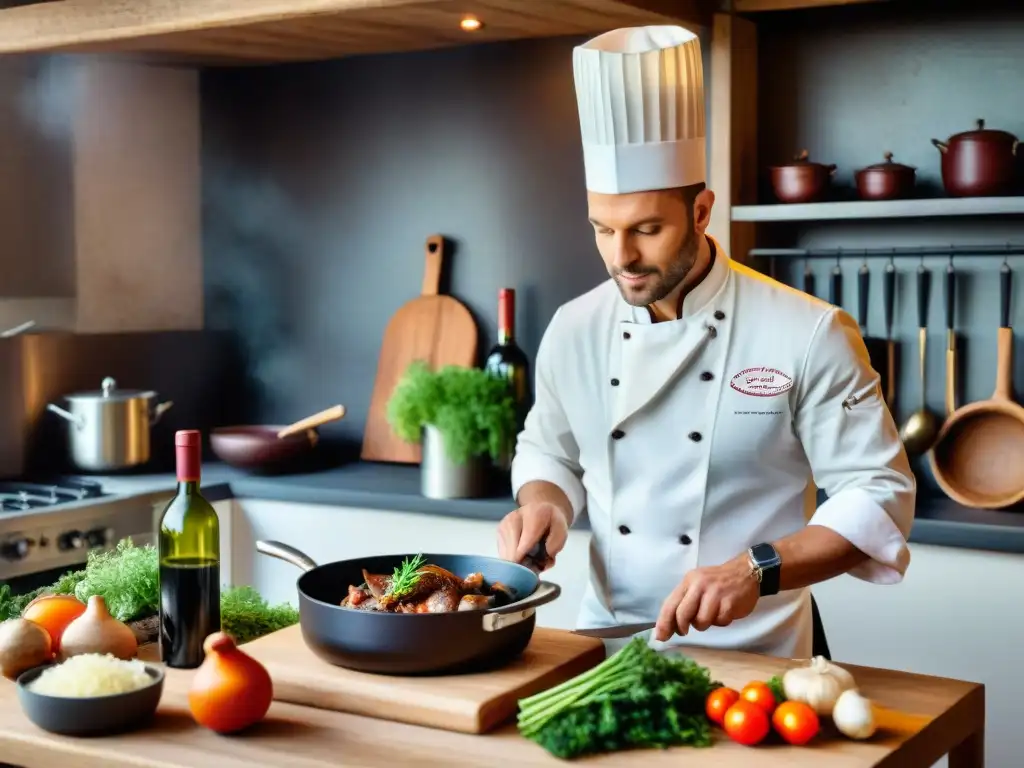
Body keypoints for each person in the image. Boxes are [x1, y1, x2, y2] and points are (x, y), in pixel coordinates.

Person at [496, 25, 916, 659]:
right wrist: (545, 506)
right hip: (602, 648)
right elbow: (548, 453)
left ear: (701, 211)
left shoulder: (807, 331)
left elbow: (878, 494)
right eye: (602, 229)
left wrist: (756, 568)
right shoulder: (573, 327)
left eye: (647, 229)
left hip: (757, 656)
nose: (622, 257)